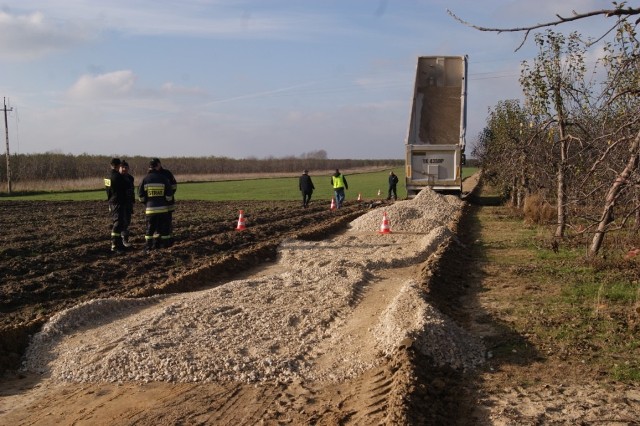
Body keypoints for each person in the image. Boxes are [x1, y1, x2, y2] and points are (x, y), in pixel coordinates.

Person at [138, 159, 173, 253]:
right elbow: (169, 196)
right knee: (164, 230)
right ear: (157, 166)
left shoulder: (145, 179)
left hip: (150, 210)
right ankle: (166, 247)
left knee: (149, 229)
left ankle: (148, 247)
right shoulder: (164, 179)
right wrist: (164, 201)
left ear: (149, 167)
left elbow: (141, 196)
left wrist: (147, 204)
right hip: (163, 210)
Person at [104, 158, 129, 253]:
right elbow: (125, 187)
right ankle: (115, 245)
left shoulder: (107, 177)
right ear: (118, 166)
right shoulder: (118, 177)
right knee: (118, 223)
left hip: (112, 201)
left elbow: (108, 190)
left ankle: (118, 244)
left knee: (119, 223)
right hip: (118, 202)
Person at [152, 158, 177, 247]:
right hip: (157, 204)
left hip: (167, 203)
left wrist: (168, 197)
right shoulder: (151, 174)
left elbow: (174, 186)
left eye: (155, 165)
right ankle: (158, 239)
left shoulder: (167, 173)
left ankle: (168, 238)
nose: (154, 167)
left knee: (167, 221)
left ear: (159, 164)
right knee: (157, 222)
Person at [119, 160, 135, 247]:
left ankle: (124, 240)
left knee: (127, 221)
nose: (124, 169)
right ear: (119, 168)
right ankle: (123, 241)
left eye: (126, 167)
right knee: (122, 222)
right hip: (120, 203)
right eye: (122, 167)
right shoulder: (117, 178)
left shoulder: (130, 178)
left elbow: (132, 191)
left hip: (128, 203)